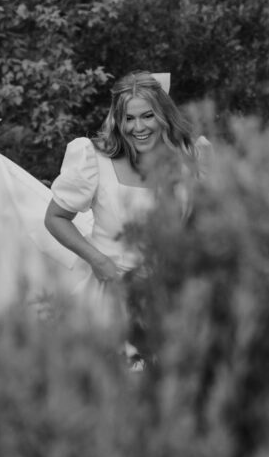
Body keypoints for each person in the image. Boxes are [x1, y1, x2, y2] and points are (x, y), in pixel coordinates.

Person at [44, 71, 202, 331]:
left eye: (147, 116)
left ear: (163, 116)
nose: (138, 128)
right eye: (129, 118)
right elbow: (55, 218)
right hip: (110, 297)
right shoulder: (94, 159)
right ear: (118, 120)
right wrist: (98, 260)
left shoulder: (186, 162)